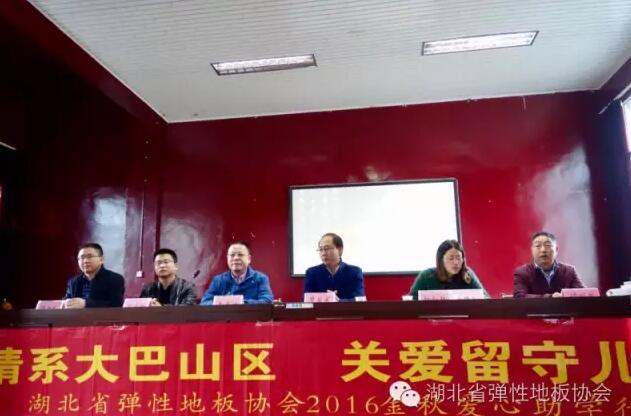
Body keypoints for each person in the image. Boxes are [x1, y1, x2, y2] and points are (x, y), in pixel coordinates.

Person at [408, 239, 489, 299]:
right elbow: (411, 302)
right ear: (441, 260)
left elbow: (486, 299)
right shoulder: (426, 276)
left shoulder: (467, 275)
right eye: (451, 258)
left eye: (459, 258)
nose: (456, 262)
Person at [513, 231, 584, 298]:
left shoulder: (569, 271)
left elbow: (584, 295)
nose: (543, 250)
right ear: (532, 250)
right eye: (538, 246)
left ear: (556, 250)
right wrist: (551, 297)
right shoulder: (522, 272)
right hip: (534, 308)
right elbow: (520, 297)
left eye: (548, 245)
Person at [200, 241, 273, 304]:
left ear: (249, 259)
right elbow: (205, 302)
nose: (236, 258)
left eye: (240, 255)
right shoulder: (218, 280)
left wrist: (241, 303)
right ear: (227, 258)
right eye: (232, 255)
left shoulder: (260, 278)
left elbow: (267, 301)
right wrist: (223, 303)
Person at [304, 233, 365, 300]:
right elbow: (306, 301)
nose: (323, 253)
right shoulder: (312, 273)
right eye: (321, 249)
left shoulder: (354, 272)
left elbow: (360, 300)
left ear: (340, 250)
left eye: (327, 249)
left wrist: (339, 302)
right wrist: (326, 299)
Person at [64, 243, 125, 308]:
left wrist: (86, 304)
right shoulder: (73, 282)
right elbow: (66, 300)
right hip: (76, 315)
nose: (85, 261)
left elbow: (116, 304)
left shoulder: (115, 279)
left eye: (89, 257)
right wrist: (66, 303)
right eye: (82, 257)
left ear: (101, 259)